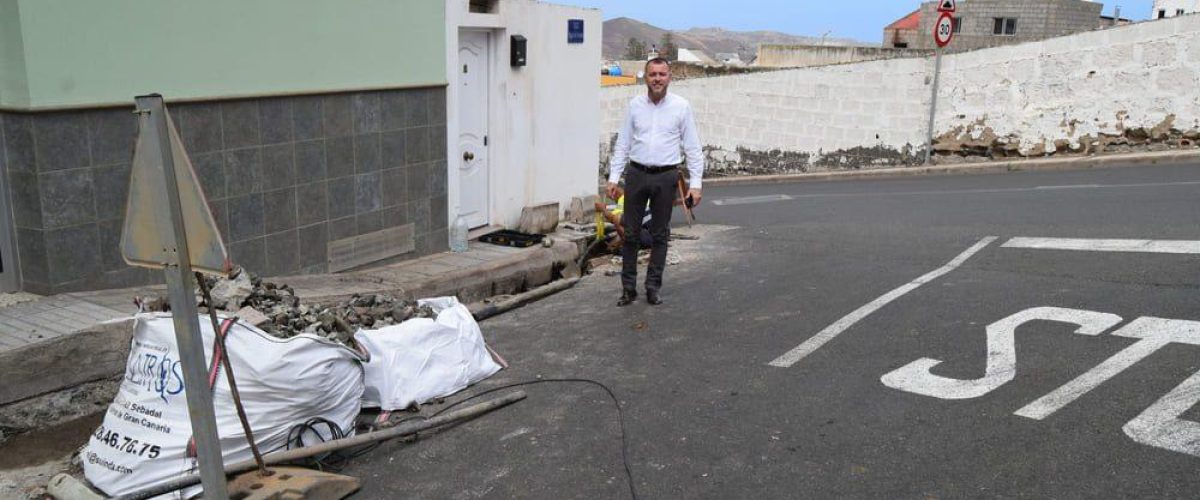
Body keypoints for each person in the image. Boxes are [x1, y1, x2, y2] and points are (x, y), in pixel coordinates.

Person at [607, 57, 704, 307]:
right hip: (637, 174)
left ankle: (653, 287)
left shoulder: (681, 107)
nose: (657, 79)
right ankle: (628, 288)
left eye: (662, 74)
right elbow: (623, 144)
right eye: (653, 74)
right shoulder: (635, 106)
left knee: (660, 235)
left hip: (666, 176)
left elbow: (692, 148)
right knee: (630, 233)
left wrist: (696, 185)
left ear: (669, 77)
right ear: (645, 77)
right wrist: (614, 178)